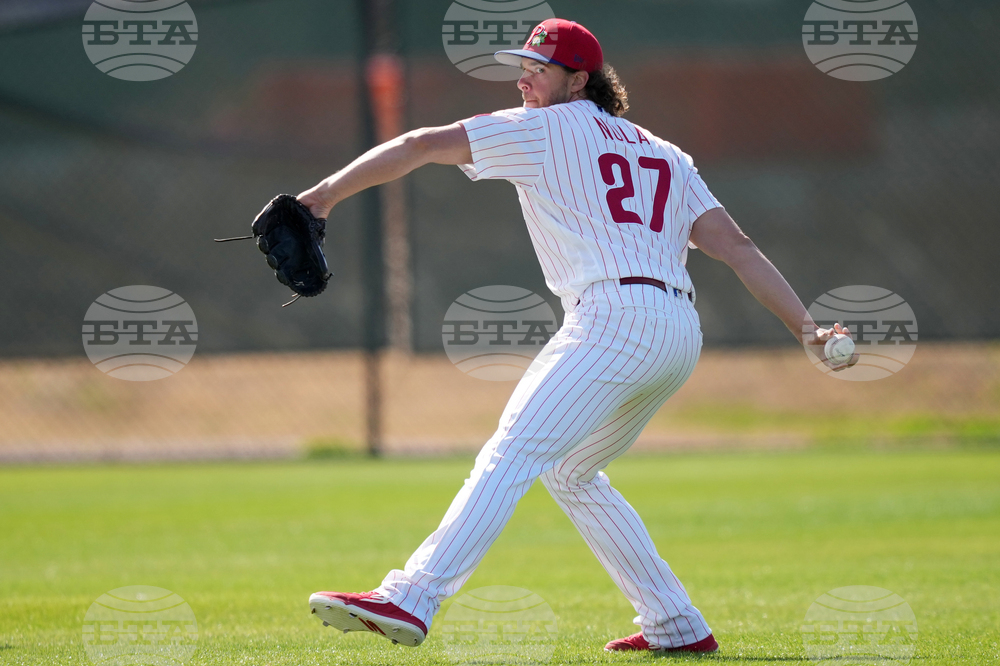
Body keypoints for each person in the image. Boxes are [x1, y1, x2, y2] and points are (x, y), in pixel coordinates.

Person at [300, 18, 856, 654]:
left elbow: (424, 142)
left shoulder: (546, 128)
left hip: (612, 320)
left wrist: (320, 198)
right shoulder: (666, 153)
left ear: (578, 80)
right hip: (675, 333)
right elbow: (737, 246)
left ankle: (412, 596)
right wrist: (806, 327)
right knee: (570, 470)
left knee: (513, 452)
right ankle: (676, 625)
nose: (524, 78)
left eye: (539, 68)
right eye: (524, 65)